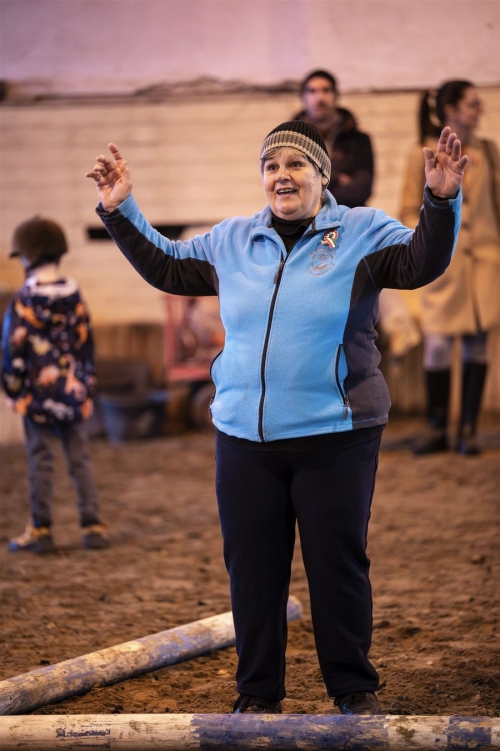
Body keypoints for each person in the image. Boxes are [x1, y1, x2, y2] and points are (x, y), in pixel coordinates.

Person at [86, 120, 466, 714]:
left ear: (322, 174)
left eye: (295, 164)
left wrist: (440, 202)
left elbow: (422, 262)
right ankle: (257, 693)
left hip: (335, 435)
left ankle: (353, 689)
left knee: (336, 566)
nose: (281, 176)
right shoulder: (232, 240)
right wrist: (119, 209)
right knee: (253, 572)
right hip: (244, 439)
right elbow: (167, 266)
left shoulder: (362, 231)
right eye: (271, 166)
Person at [400, 80, 500, 455]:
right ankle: (436, 428)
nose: (479, 110)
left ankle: (468, 430)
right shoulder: (421, 153)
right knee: (438, 346)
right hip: (443, 266)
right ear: (451, 110)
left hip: (485, 265)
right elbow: (407, 211)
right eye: (473, 104)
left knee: (478, 346)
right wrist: (430, 243)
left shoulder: (489, 151)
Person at [1, 216, 109, 553]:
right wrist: (87, 389)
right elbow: (86, 345)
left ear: (28, 257)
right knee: (80, 460)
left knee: (40, 460)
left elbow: (12, 349)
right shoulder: (75, 297)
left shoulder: (23, 300)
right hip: (72, 395)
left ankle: (41, 528)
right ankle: (92, 525)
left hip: (36, 397)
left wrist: (12, 389)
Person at [293, 69, 374, 208]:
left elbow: (362, 191)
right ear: (303, 97)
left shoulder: (359, 140)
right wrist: (338, 178)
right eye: (312, 91)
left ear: (336, 96)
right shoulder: (292, 141)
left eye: (326, 90)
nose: (320, 98)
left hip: (350, 216)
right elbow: (292, 190)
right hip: (307, 219)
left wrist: (314, 184)